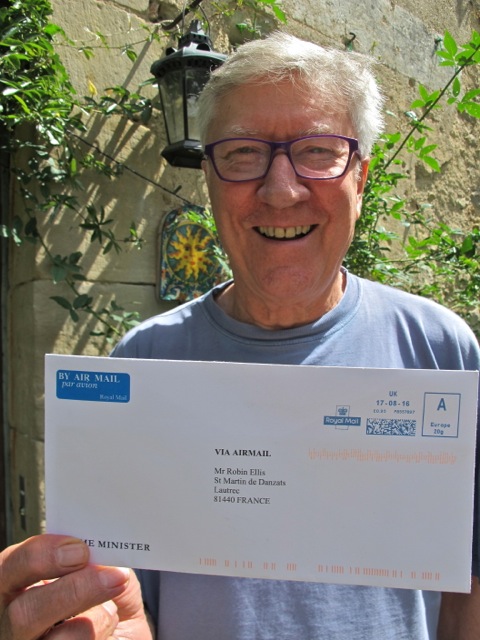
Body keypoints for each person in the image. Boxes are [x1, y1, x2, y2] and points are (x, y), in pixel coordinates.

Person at [0, 32, 479, 639]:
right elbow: (120, 601)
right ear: (209, 179)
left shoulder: (440, 351)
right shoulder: (143, 363)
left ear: (360, 177)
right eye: (243, 153)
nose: (281, 190)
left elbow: (467, 593)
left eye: (318, 151)